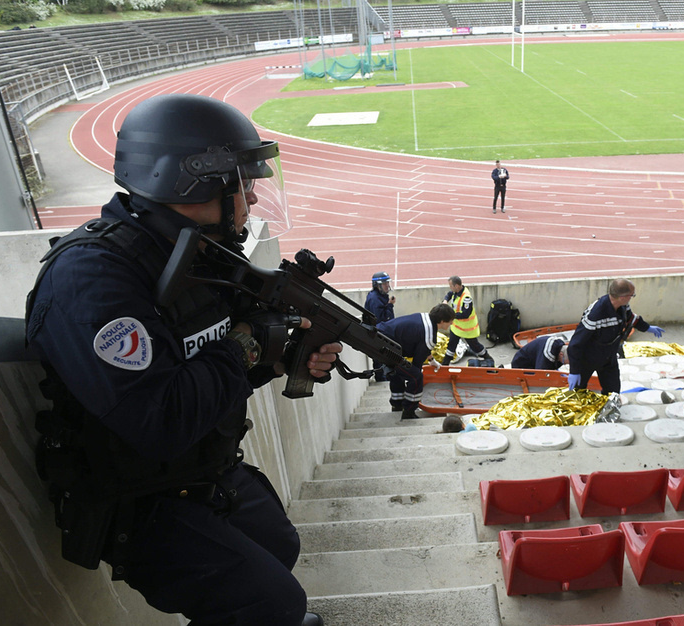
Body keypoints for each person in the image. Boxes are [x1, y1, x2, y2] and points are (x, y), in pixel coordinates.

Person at [25, 94, 339, 626]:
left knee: (279, 545)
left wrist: (279, 357)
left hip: (201, 469)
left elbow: (218, 363)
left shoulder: (199, 253)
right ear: (192, 181)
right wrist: (248, 346)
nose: (253, 197)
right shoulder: (93, 279)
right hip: (138, 498)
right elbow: (160, 419)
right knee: (274, 602)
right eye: (243, 180)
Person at [566, 279, 665, 394]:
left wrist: (646, 327)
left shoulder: (623, 306)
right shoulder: (596, 314)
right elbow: (575, 344)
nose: (631, 298)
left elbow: (631, 318)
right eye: (632, 295)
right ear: (622, 297)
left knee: (612, 391)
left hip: (609, 356)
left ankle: (609, 409)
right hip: (589, 357)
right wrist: (574, 371)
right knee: (577, 392)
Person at [378, 304, 455, 420]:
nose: (451, 324)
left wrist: (431, 360)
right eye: (450, 322)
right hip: (387, 347)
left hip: (380, 338)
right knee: (416, 377)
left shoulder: (425, 318)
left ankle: (397, 405)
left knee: (396, 372)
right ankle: (409, 411)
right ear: (442, 321)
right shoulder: (430, 336)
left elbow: (420, 342)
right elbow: (417, 363)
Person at [440, 276, 493, 366]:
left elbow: (465, 314)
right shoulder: (456, 292)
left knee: (475, 346)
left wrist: (450, 315)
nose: (450, 288)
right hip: (456, 327)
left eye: (451, 286)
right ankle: (445, 365)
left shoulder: (466, 298)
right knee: (451, 346)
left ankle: (488, 358)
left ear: (456, 286)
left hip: (467, 329)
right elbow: (449, 294)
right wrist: (445, 301)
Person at [365, 271, 395, 381]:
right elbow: (380, 319)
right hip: (378, 334)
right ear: (377, 285)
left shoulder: (379, 296)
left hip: (381, 332)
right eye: (384, 283)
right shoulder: (374, 299)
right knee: (380, 357)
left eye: (387, 283)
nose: (387, 285)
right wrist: (390, 306)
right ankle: (381, 377)